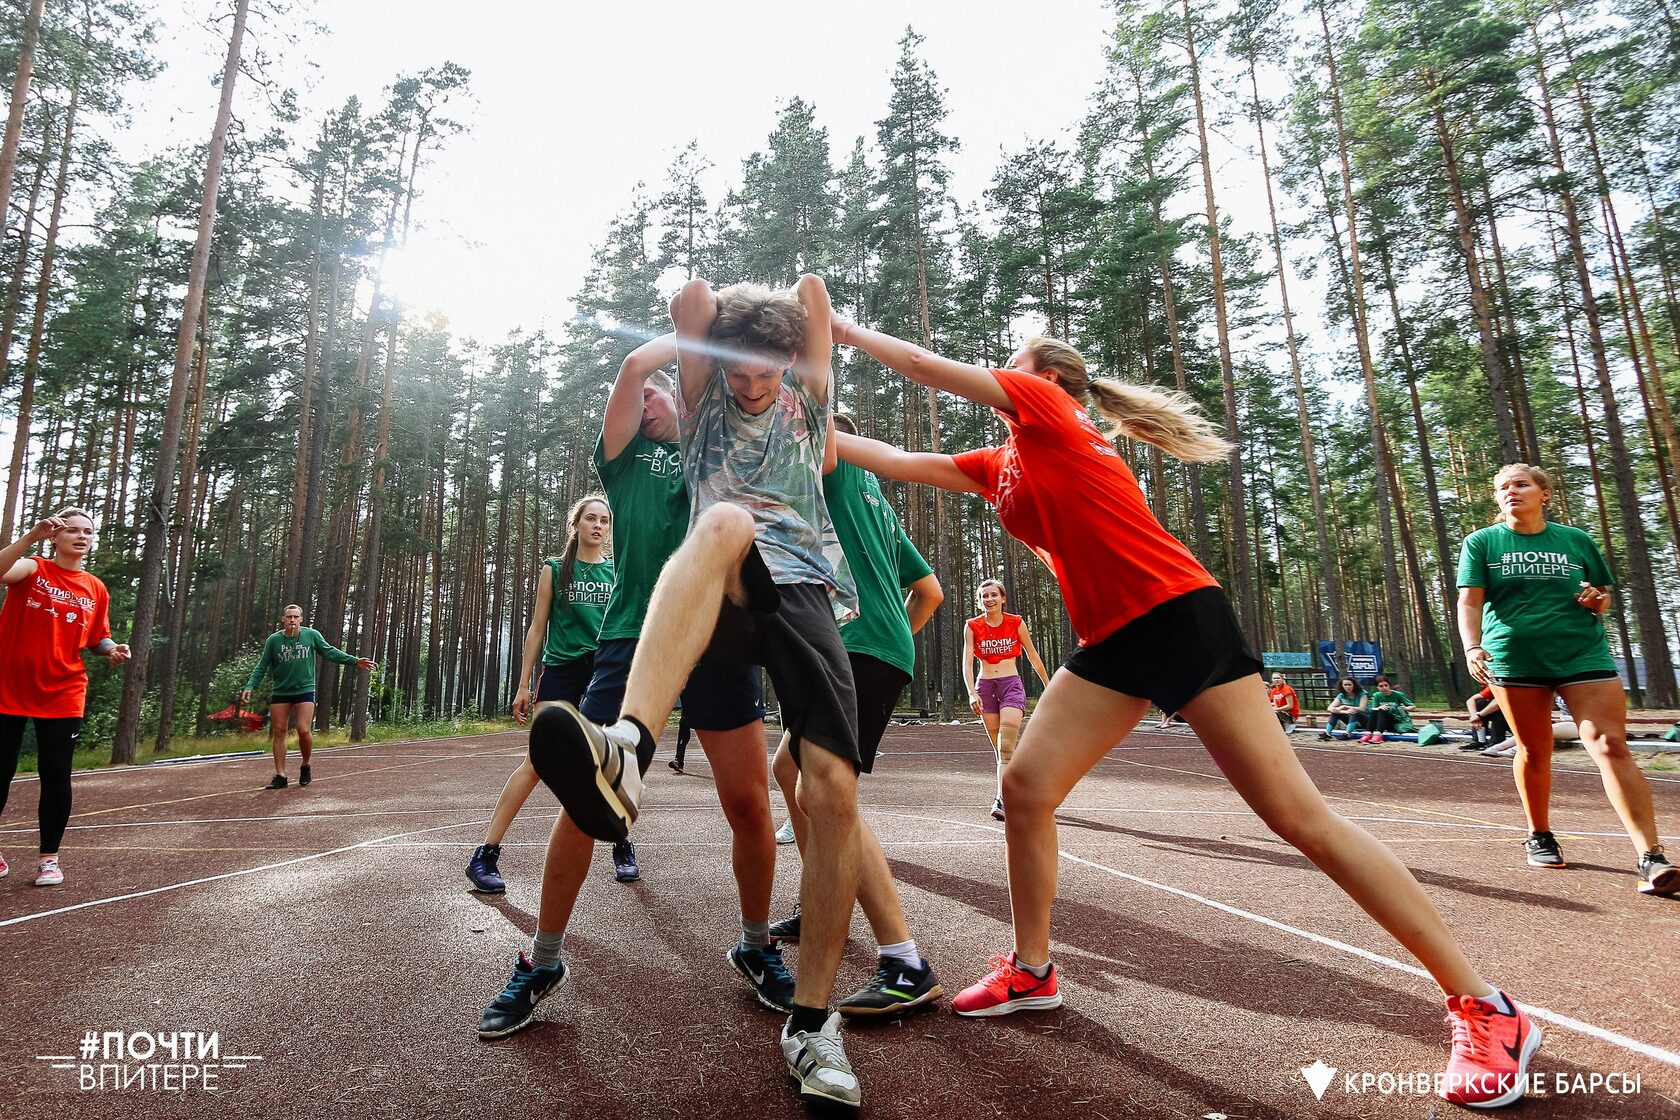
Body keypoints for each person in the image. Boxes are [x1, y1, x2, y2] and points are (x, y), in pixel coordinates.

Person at [828, 321, 1540, 1108]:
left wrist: (841, 330)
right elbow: (891, 460)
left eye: (1014, 364)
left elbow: (926, 363)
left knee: (1298, 817)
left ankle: (1487, 1006)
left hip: (1177, 615)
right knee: (1026, 790)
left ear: (1054, 385)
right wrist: (803, 422)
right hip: (1110, 644)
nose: (1002, 371)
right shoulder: (1000, 462)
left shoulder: (1051, 412)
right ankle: (1033, 971)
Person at [522, 276, 872, 1111]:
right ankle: (630, 745)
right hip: (719, 581)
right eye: (737, 371)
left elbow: (814, 294)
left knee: (832, 790)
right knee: (723, 521)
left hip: (804, 589)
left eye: (766, 373)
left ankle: (814, 1024)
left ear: (789, 364)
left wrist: (788, 320)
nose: (751, 387)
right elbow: (691, 295)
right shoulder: (701, 399)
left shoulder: (809, 398)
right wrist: (714, 340)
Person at [477, 336, 784, 1060]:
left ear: (689, 395)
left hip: (719, 641)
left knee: (748, 805)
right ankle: (542, 960)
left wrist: (707, 371)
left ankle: (754, 945)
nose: (645, 397)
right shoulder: (625, 463)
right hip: (628, 642)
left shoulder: (717, 450)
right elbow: (630, 368)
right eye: (641, 395)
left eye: (661, 392)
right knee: (585, 804)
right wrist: (685, 339)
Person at [767, 411, 946, 1020]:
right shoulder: (880, 504)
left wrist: (869, 639)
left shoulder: (830, 472)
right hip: (877, 648)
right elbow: (931, 592)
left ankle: (904, 960)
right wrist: (898, 638)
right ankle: (824, 899)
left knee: (830, 795)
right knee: (788, 770)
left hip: (852, 649)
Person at [1457, 462, 1676, 895]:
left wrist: (1598, 602)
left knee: (1610, 744)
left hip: (1582, 653)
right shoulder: (1482, 542)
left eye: (1521, 484)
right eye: (1503, 488)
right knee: (1534, 750)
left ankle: (1650, 856)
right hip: (1514, 658)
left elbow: (1602, 593)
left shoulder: (1575, 540)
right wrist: (1472, 647)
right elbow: (1469, 601)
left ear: (1544, 493)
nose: (1511, 491)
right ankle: (1539, 833)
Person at [466, 496, 618, 893]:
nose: (598, 526)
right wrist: (522, 683)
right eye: (590, 519)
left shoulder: (618, 571)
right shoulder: (555, 569)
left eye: (604, 520)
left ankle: (622, 843)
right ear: (577, 524)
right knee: (537, 762)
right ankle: (485, 854)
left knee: (608, 762)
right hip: (562, 671)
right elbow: (537, 628)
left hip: (603, 673)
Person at [0, 510, 130, 887]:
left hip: (63, 690)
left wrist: (111, 649)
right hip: (9, 686)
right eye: (72, 530)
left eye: (87, 531)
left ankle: (48, 860)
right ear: (55, 536)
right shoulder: (32, 567)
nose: (81, 536)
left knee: (56, 774)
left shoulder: (95, 588)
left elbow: (97, 637)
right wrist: (30, 537)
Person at [242, 605, 374, 789]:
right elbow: (262, 665)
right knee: (279, 732)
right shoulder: (274, 640)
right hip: (281, 690)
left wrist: (354, 660)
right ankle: (280, 775)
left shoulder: (311, 635)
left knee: (303, 730)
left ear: (301, 619)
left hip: (304, 689)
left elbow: (330, 651)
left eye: (296, 616)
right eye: (289, 617)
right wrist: (250, 685)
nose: (292, 620)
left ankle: (306, 764)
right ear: (283, 619)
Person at [963, 579, 1050, 820]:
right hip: (985, 688)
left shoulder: (1016, 623)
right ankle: (1025, 785)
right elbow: (967, 662)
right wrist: (972, 692)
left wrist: (1049, 686)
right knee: (1002, 752)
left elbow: (1032, 654)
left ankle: (1001, 799)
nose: (989, 599)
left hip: (1011, 685)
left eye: (993, 595)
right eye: (984, 596)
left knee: (1006, 746)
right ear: (979, 602)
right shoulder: (972, 626)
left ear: (1003, 599)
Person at [1359, 676, 1415, 743]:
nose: (1384, 688)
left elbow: (1413, 706)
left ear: (1389, 686)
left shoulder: (1398, 695)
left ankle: (1378, 735)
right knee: (1378, 710)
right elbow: (1374, 709)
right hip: (1384, 721)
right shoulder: (1376, 695)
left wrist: (1406, 708)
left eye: (1386, 685)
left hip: (1398, 720)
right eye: (1381, 686)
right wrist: (1379, 707)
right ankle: (1368, 733)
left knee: (1382, 710)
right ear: (1377, 687)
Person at [1467, 687, 1512, 755]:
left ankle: (1496, 741)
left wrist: (1479, 716)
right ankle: (1479, 740)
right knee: (1480, 702)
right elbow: (1471, 700)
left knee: (1500, 710)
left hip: (1519, 720)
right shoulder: (1496, 685)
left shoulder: (1510, 685)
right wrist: (1474, 715)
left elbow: (1499, 701)